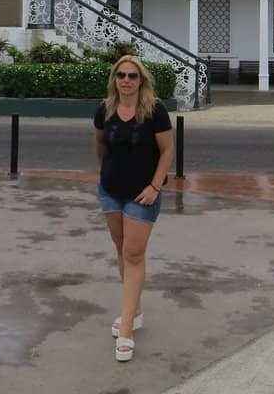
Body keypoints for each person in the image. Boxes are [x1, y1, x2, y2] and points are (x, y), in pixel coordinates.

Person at [93, 54, 174, 362]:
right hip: (111, 192)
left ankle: (126, 327)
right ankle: (135, 309)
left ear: (142, 80)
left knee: (134, 254)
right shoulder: (106, 109)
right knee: (121, 248)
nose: (126, 80)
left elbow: (167, 150)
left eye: (132, 76)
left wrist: (155, 186)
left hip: (143, 195)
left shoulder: (155, 111)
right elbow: (100, 146)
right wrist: (107, 176)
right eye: (121, 75)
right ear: (115, 79)